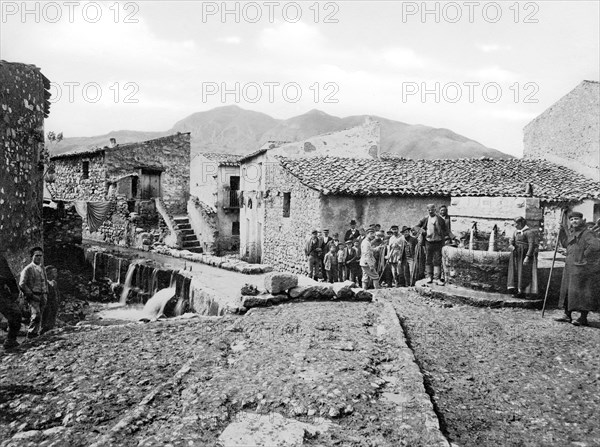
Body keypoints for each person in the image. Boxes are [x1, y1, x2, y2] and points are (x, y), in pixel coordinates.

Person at [555, 211, 600, 326]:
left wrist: (583, 256)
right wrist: (561, 233)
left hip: (581, 268)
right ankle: (567, 315)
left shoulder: (587, 233)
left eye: (576, 219)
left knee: (582, 292)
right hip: (570, 266)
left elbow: (595, 247)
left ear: (581, 220)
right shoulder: (572, 232)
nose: (574, 221)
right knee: (568, 291)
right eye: (571, 219)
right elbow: (567, 244)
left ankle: (583, 318)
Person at [415, 204, 449, 285]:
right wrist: (422, 231)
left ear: (435, 210)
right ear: (427, 210)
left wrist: (453, 237)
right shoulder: (425, 219)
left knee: (437, 260)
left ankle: (437, 278)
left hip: (438, 242)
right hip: (428, 242)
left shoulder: (440, 219)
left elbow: (446, 230)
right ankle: (429, 277)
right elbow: (416, 227)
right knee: (428, 259)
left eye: (432, 210)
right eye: (429, 210)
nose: (431, 211)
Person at [19, 247, 48, 339]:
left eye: (40, 256)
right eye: (36, 256)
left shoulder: (42, 268)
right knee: (36, 316)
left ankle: (36, 335)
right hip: (33, 296)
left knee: (41, 316)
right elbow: (22, 284)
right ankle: (30, 336)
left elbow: (45, 282)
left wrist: (46, 292)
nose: (39, 258)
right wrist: (30, 295)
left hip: (43, 295)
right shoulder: (28, 269)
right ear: (32, 257)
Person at [507, 217, 539, 298]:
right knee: (516, 272)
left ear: (521, 223)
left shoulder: (529, 232)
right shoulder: (515, 232)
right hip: (516, 255)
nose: (515, 225)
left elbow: (531, 245)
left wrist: (527, 257)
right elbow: (511, 240)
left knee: (524, 273)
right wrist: (511, 245)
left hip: (524, 255)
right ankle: (517, 290)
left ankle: (526, 292)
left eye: (516, 224)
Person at [0, 252, 23, 349]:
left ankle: (10, 340)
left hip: (1, 293)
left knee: (16, 314)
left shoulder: (0, 259)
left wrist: (14, 290)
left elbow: (8, 275)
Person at [42, 265, 60, 334]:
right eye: (54, 272)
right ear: (48, 273)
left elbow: (57, 293)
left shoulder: (54, 282)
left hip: (54, 304)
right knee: (46, 320)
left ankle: (50, 331)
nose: (56, 274)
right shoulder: (44, 283)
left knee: (52, 319)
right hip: (47, 305)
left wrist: (58, 301)